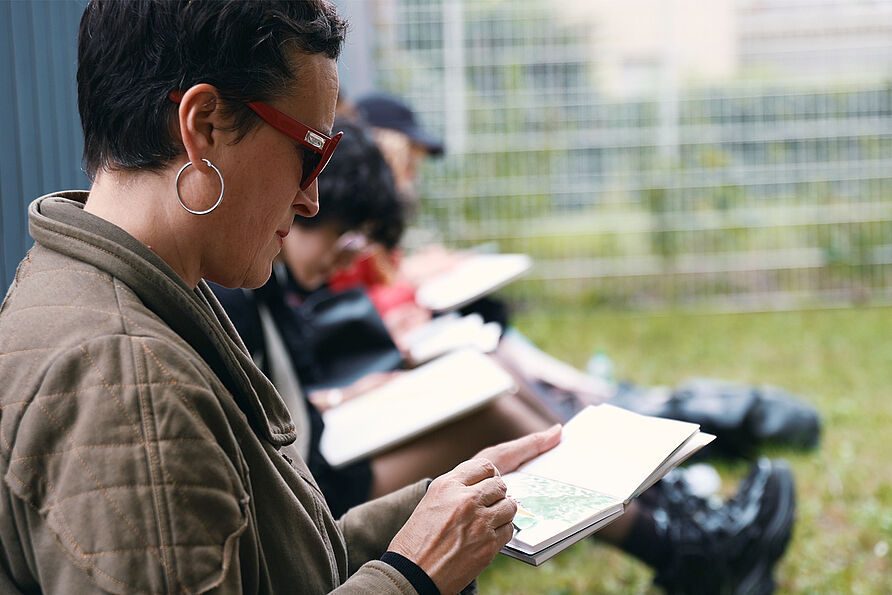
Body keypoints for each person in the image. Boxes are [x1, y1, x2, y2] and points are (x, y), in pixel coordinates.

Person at [0, 2, 565, 594]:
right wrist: (412, 578)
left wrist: (438, 510)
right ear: (204, 126)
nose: (312, 198)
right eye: (309, 152)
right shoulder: (131, 384)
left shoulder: (121, 296)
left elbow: (267, 568)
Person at [215, 119, 798, 595]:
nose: (345, 260)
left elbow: (293, 395)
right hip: (320, 478)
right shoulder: (247, 285)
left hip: (323, 454)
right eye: (339, 240)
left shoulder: (266, 282)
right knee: (491, 417)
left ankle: (675, 522)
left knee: (485, 380)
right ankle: (684, 550)